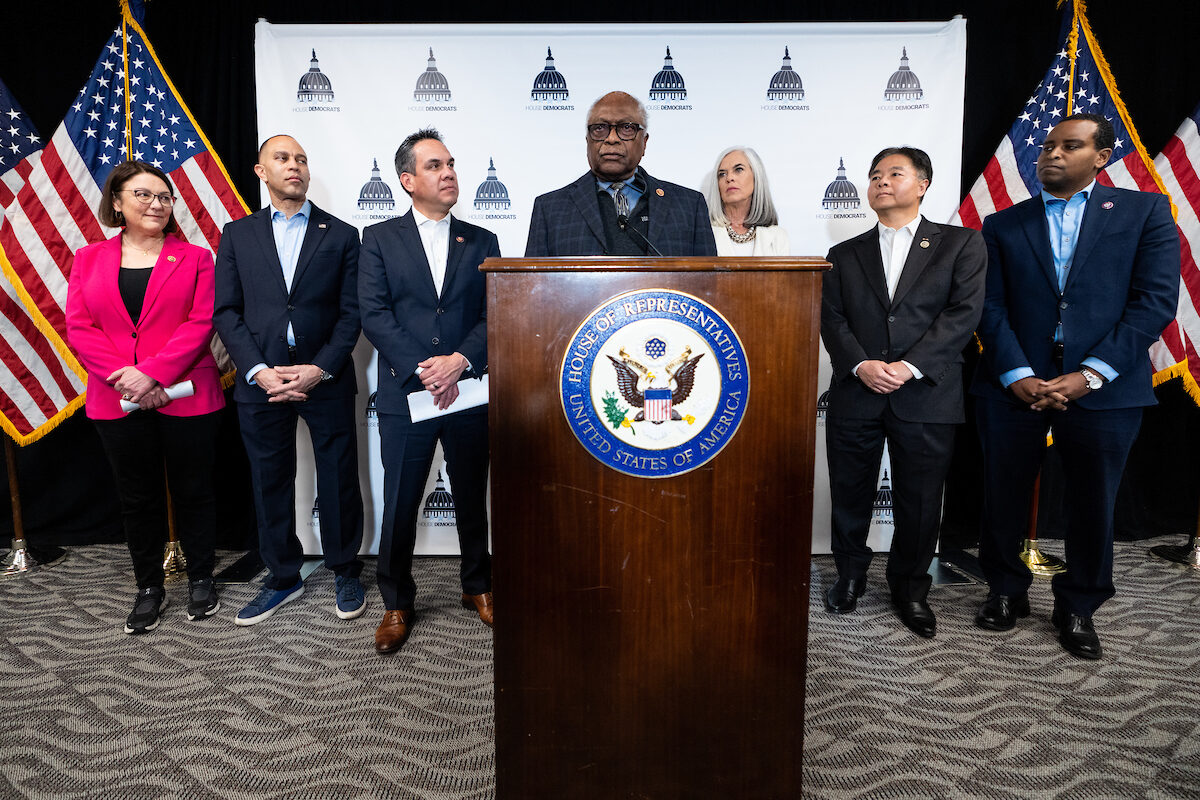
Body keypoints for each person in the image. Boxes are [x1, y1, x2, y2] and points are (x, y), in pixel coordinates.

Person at [971, 113, 1179, 659]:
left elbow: (1154, 302)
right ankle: (1005, 591)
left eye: (1070, 146)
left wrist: (1090, 375)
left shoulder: (1145, 212)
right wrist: (1017, 373)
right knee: (1002, 496)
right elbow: (989, 308)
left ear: (1101, 156)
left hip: (1106, 389)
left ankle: (1079, 605)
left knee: (1093, 501)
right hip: (1015, 385)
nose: (1052, 155)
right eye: (1047, 147)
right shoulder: (1003, 224)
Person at [820, 146, 987, 638]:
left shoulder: (961, 244)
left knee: (919, 500)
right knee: (849, 494)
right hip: (857, 391)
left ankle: (910, 590)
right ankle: (849, 577)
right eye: (875, 175)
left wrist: (910, 366)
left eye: (894, 173)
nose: (881, 182)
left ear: (923, 184)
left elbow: (963, 315)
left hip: (927, 394)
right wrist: (861, 364)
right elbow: (832, 319)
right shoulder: (843, 254)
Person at [65, 161, 226, 634]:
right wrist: (128, 380)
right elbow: (80, 326)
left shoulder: (195, 257)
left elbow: (201, 323)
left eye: (164, 196)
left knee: (195, 491)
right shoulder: (87, 258)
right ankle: (148, 587)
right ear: (116, 202)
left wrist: (152, 375)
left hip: (187, 393)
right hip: (115, 398)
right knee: (137, 498)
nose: (157, 204)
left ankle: (200, 578)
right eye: (144, 195)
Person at [213, 135, 366, 626]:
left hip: (326, 376)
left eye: (301, 158)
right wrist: (258, 371)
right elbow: (228, 313)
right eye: (282, 158)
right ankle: (282, 576)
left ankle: (345, 568)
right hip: (263, 381)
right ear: (261, 171)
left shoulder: (342, 235)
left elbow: (352, 313)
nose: (294, 165)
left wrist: (320, 368)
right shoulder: (236, 234)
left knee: (339, 476)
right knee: (268, 479)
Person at [358, 129, 498, 655]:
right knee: (400, 501)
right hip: (405, 393)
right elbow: (373, 313)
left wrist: (459, 362)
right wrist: (426, 369)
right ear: (407, 180)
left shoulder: (482, 241)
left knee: (470, 496)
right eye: (435, 165)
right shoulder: (378, 238)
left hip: (467, 391)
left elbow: (491, 314)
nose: (449, 173)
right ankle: (397, 601)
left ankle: (478, 586)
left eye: (452, 164)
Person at [525, 91, 717, 257]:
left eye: (626, 128)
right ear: (587, 141)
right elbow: (533, 291)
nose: (611, 139)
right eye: (600, 129)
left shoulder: (690, 206)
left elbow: (710, 287)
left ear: (644, 142)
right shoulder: (550, 209)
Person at [702, 146, 790, 256]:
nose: (729, 178)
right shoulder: (706, 235)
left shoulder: (778, 236)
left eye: (738, 170)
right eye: (722, 174)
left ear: (756, 177)